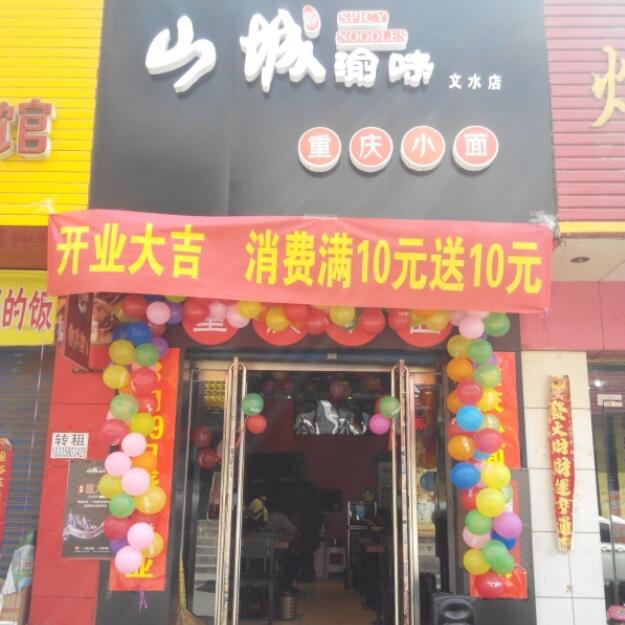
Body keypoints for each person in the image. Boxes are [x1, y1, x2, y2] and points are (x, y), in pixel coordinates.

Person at [293, 482, 322, 582]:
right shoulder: (313, 502)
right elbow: (318, 518)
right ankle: (308, 575)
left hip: (307, 532)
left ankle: (307, 575)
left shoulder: (307, 503)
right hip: (311, 532)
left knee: (306, 554)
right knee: (308, 554)